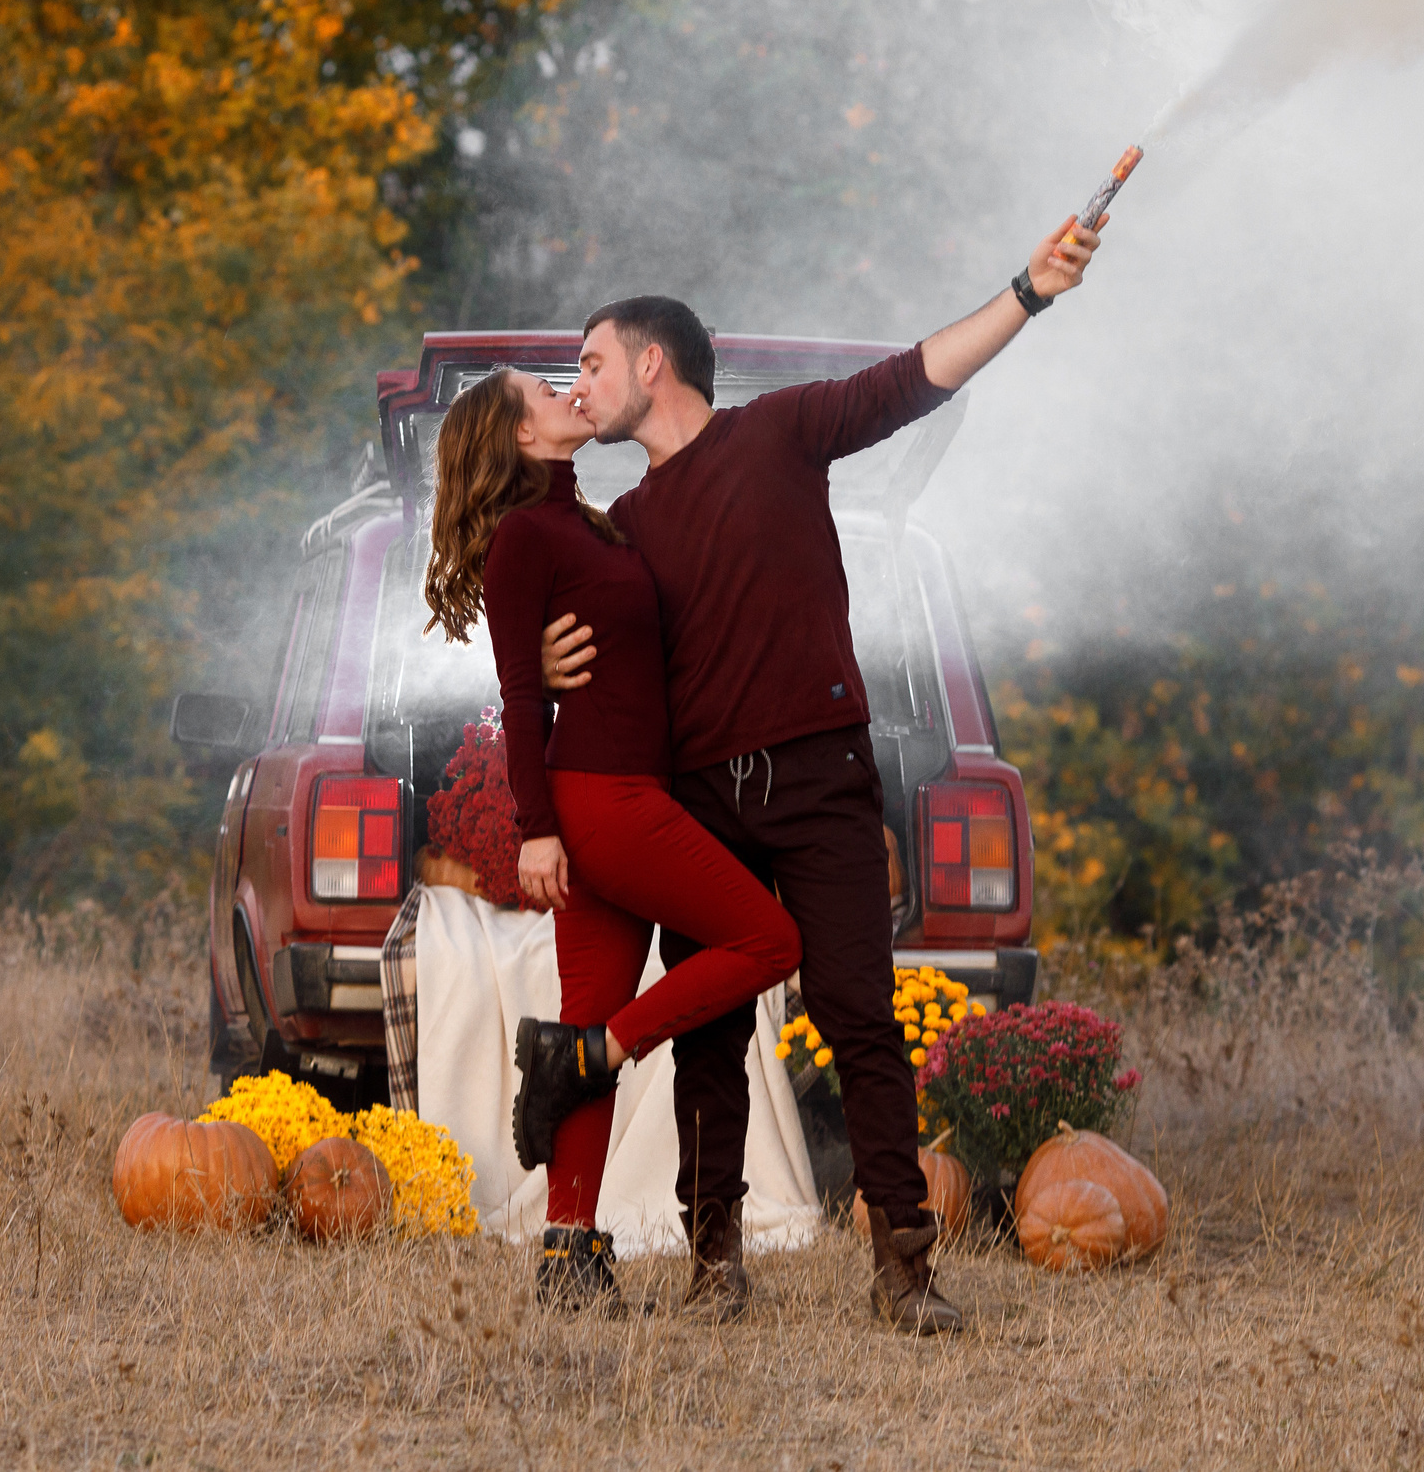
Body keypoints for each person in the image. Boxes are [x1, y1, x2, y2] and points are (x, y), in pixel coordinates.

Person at [542, 214, 1104, 1334]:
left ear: (653, 363)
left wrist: (1028, 292)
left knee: (860, 1017)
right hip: (695, 802)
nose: (580, 385)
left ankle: (905, 1273)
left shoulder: (782, 432)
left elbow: (915, 378)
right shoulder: (623, 527)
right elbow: (583, 658)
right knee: (709, 1037)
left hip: (821, 779)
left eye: (592, 362)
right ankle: (714, 1272)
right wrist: (555, 663)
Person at [420, 366, 802, 1316]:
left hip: (628, 789)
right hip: (603, 799)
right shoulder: (522, 536)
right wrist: (536, 832)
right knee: (771, 942)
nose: (565, 393)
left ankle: (569, 1251)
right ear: (518, 435)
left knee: (585, 1011)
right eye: (544, 392)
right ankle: (606, 1051)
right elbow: (517, 696)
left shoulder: (588, 519)